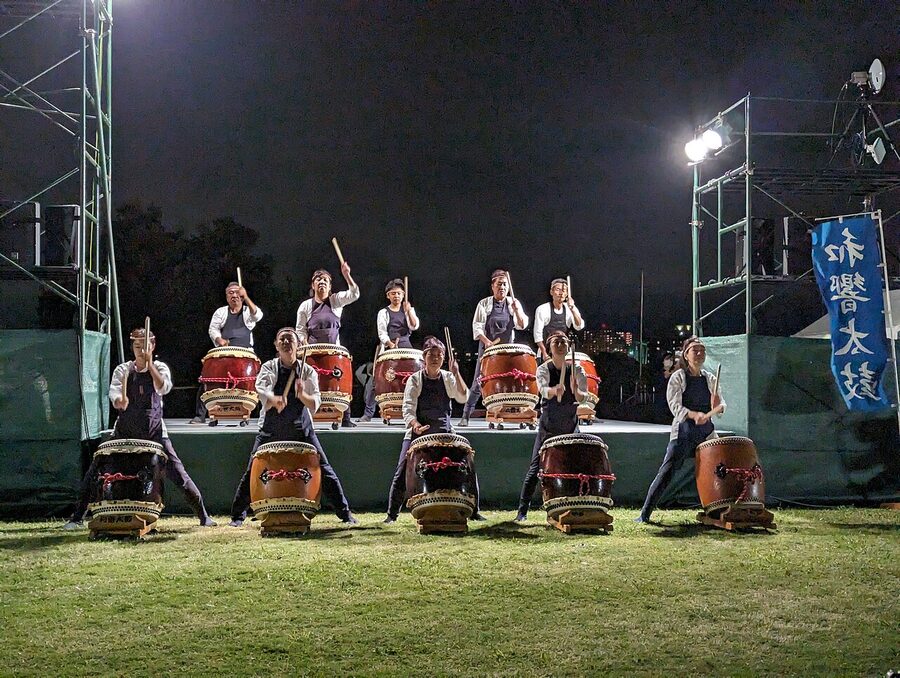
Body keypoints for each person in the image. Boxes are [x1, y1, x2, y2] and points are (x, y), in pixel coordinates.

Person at [64, 327, 216, 529]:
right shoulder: (123, 370)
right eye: (136, 346)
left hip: (154, 433)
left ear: (152, 346)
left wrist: (150, 364)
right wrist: (120, 401)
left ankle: (204, 516)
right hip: (125, 432)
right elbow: (116, 396)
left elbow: (164, 387)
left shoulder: (160, 368)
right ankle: (76, 518)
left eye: (143, 346)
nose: (140, 351)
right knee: (96, 468)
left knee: (178, 473)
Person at [228, 328, 358, 526]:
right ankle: (237, 517)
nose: (287, 343)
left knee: (323, 467)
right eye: (283, 339)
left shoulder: (308, 371)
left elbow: (315, 404)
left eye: (291, 340)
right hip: (271, 428)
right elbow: (261, 390)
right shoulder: (269, 367)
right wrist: (274, 399)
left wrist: (301, 394)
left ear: (298, 346)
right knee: (253, 468)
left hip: (301, 428)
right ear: (276, 345)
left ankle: (345, 513)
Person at [383, 336, 485, 522]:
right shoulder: (415, 379)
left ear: (444, 358)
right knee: (402, 471)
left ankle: (475, 510)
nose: (435, 358)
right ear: (424, 356)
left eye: (439, 355)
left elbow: (463, 397)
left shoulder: (447, 377)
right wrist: (416, 425)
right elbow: (408, 408)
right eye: (432, 355)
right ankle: (392, 514)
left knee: (467, 464)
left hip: (445, 432)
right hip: (419, 433)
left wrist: (457, 373)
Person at [636, 336, 726, 523]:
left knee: (719, 470)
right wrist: (694, 415)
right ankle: (645, 514)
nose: (700, 353)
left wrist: (718, 406)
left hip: (706, 433)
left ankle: (718, 510)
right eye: (696, 350)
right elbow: (675, 406)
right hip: (684, 432)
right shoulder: (678, 377)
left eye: (702, 350)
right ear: (686, 354)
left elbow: (720, 406)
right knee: (667, 472)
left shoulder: (711, 378)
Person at [514, 331, 588, 521]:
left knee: (574, 467)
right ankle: (522, 511)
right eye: (556, 341)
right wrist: (555, 390)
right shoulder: (544, 369)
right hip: (549, 426)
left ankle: (573, 507)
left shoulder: (577, 369)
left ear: (569, 346)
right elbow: (543, 391)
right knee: (535, 469)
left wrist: (575, 390)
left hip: (570, 425)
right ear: (549, 347)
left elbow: (583, 397)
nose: (561, 344)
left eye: (564, 341)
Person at [459, 269, 529, 426]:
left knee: (510, 381)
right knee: (479, 381)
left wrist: (517, 312)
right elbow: (477, 327)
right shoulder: (484, 304)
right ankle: (466, 415)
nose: (502, 287)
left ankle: (515, 415)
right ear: (492, 286)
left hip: (507, 350)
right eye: (499, 284)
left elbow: (522, 325)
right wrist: (487, 342)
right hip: (488, 349)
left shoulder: (513, 303)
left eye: (505, 284)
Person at [295, 263, 360, 428]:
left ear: (330, 286)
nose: (321, 282)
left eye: (325, 280)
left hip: (333, 349)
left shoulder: (336, 301)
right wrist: (303, 341)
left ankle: (344, 416)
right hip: (313, 351)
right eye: (318, 280)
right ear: (313, 285)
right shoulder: (306, 306)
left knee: (339, 379)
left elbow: (355, 294)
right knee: (312, 383)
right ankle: (305, 414)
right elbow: (300, 330)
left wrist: (347, 275)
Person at [191, 281, 264, 426]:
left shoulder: (247, 311)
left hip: (245, 353)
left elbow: (257, 315)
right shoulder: (221, 312)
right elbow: (213, 329)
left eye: (237, 293)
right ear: (226, 297)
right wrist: (219, 339)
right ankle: (200, 415)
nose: (234, 296)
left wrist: (247, 297)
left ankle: (262, 415)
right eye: (231, 293)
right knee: (207, 378)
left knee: (260, 382)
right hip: (224, 353)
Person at [532, 278, 585, 361]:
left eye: (564, 291)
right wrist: (545, 354)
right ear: (551, 292)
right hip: (545, 353)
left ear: (567, 294)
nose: (561, 293)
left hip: (564, 354)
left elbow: (579, 326)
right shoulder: (542, 309)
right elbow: (537, 335)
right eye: (558, 290)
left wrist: (573, 309)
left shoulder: (570, 308)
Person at [376, 278, 420, 349]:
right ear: (388, 295)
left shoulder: (408, 309)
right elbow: (382, 333)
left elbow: (414, 326)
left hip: (406, 345)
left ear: (403, 295)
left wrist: (408, 311)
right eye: (393, 293)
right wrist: (391, 345)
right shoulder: (383, 312)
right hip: (391, 345)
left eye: (399, 293)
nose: (396, 296)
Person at [355, 358, 377, 423]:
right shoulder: (366, 378)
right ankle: (367, 416)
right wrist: (366, 365)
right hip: (371, 400)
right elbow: (358, 373)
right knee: (372, 388)